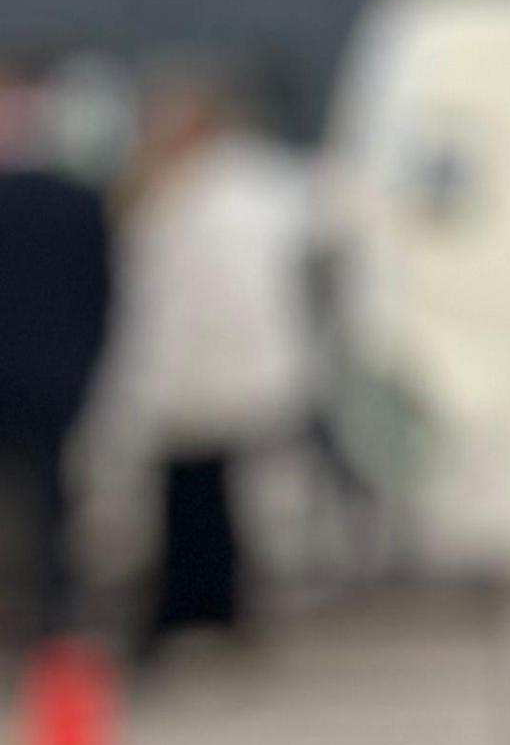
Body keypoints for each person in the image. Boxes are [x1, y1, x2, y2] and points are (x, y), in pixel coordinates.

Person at [87, 70, 315, 664]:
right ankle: (200, 613)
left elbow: (210, 302)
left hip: (210, 382)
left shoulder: (225, 196)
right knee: (197, 506)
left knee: (204, 510)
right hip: (200, 383)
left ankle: (200, 616)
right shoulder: (222, 188)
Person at [0, 60, 113, 650]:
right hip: (57, 374)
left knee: (49, 507)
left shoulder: (75, 200)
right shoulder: (79, 200)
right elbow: (103, 297)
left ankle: (51, 616)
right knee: (49, 507)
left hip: (46, 378)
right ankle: (52, 617)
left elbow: (101, 293)